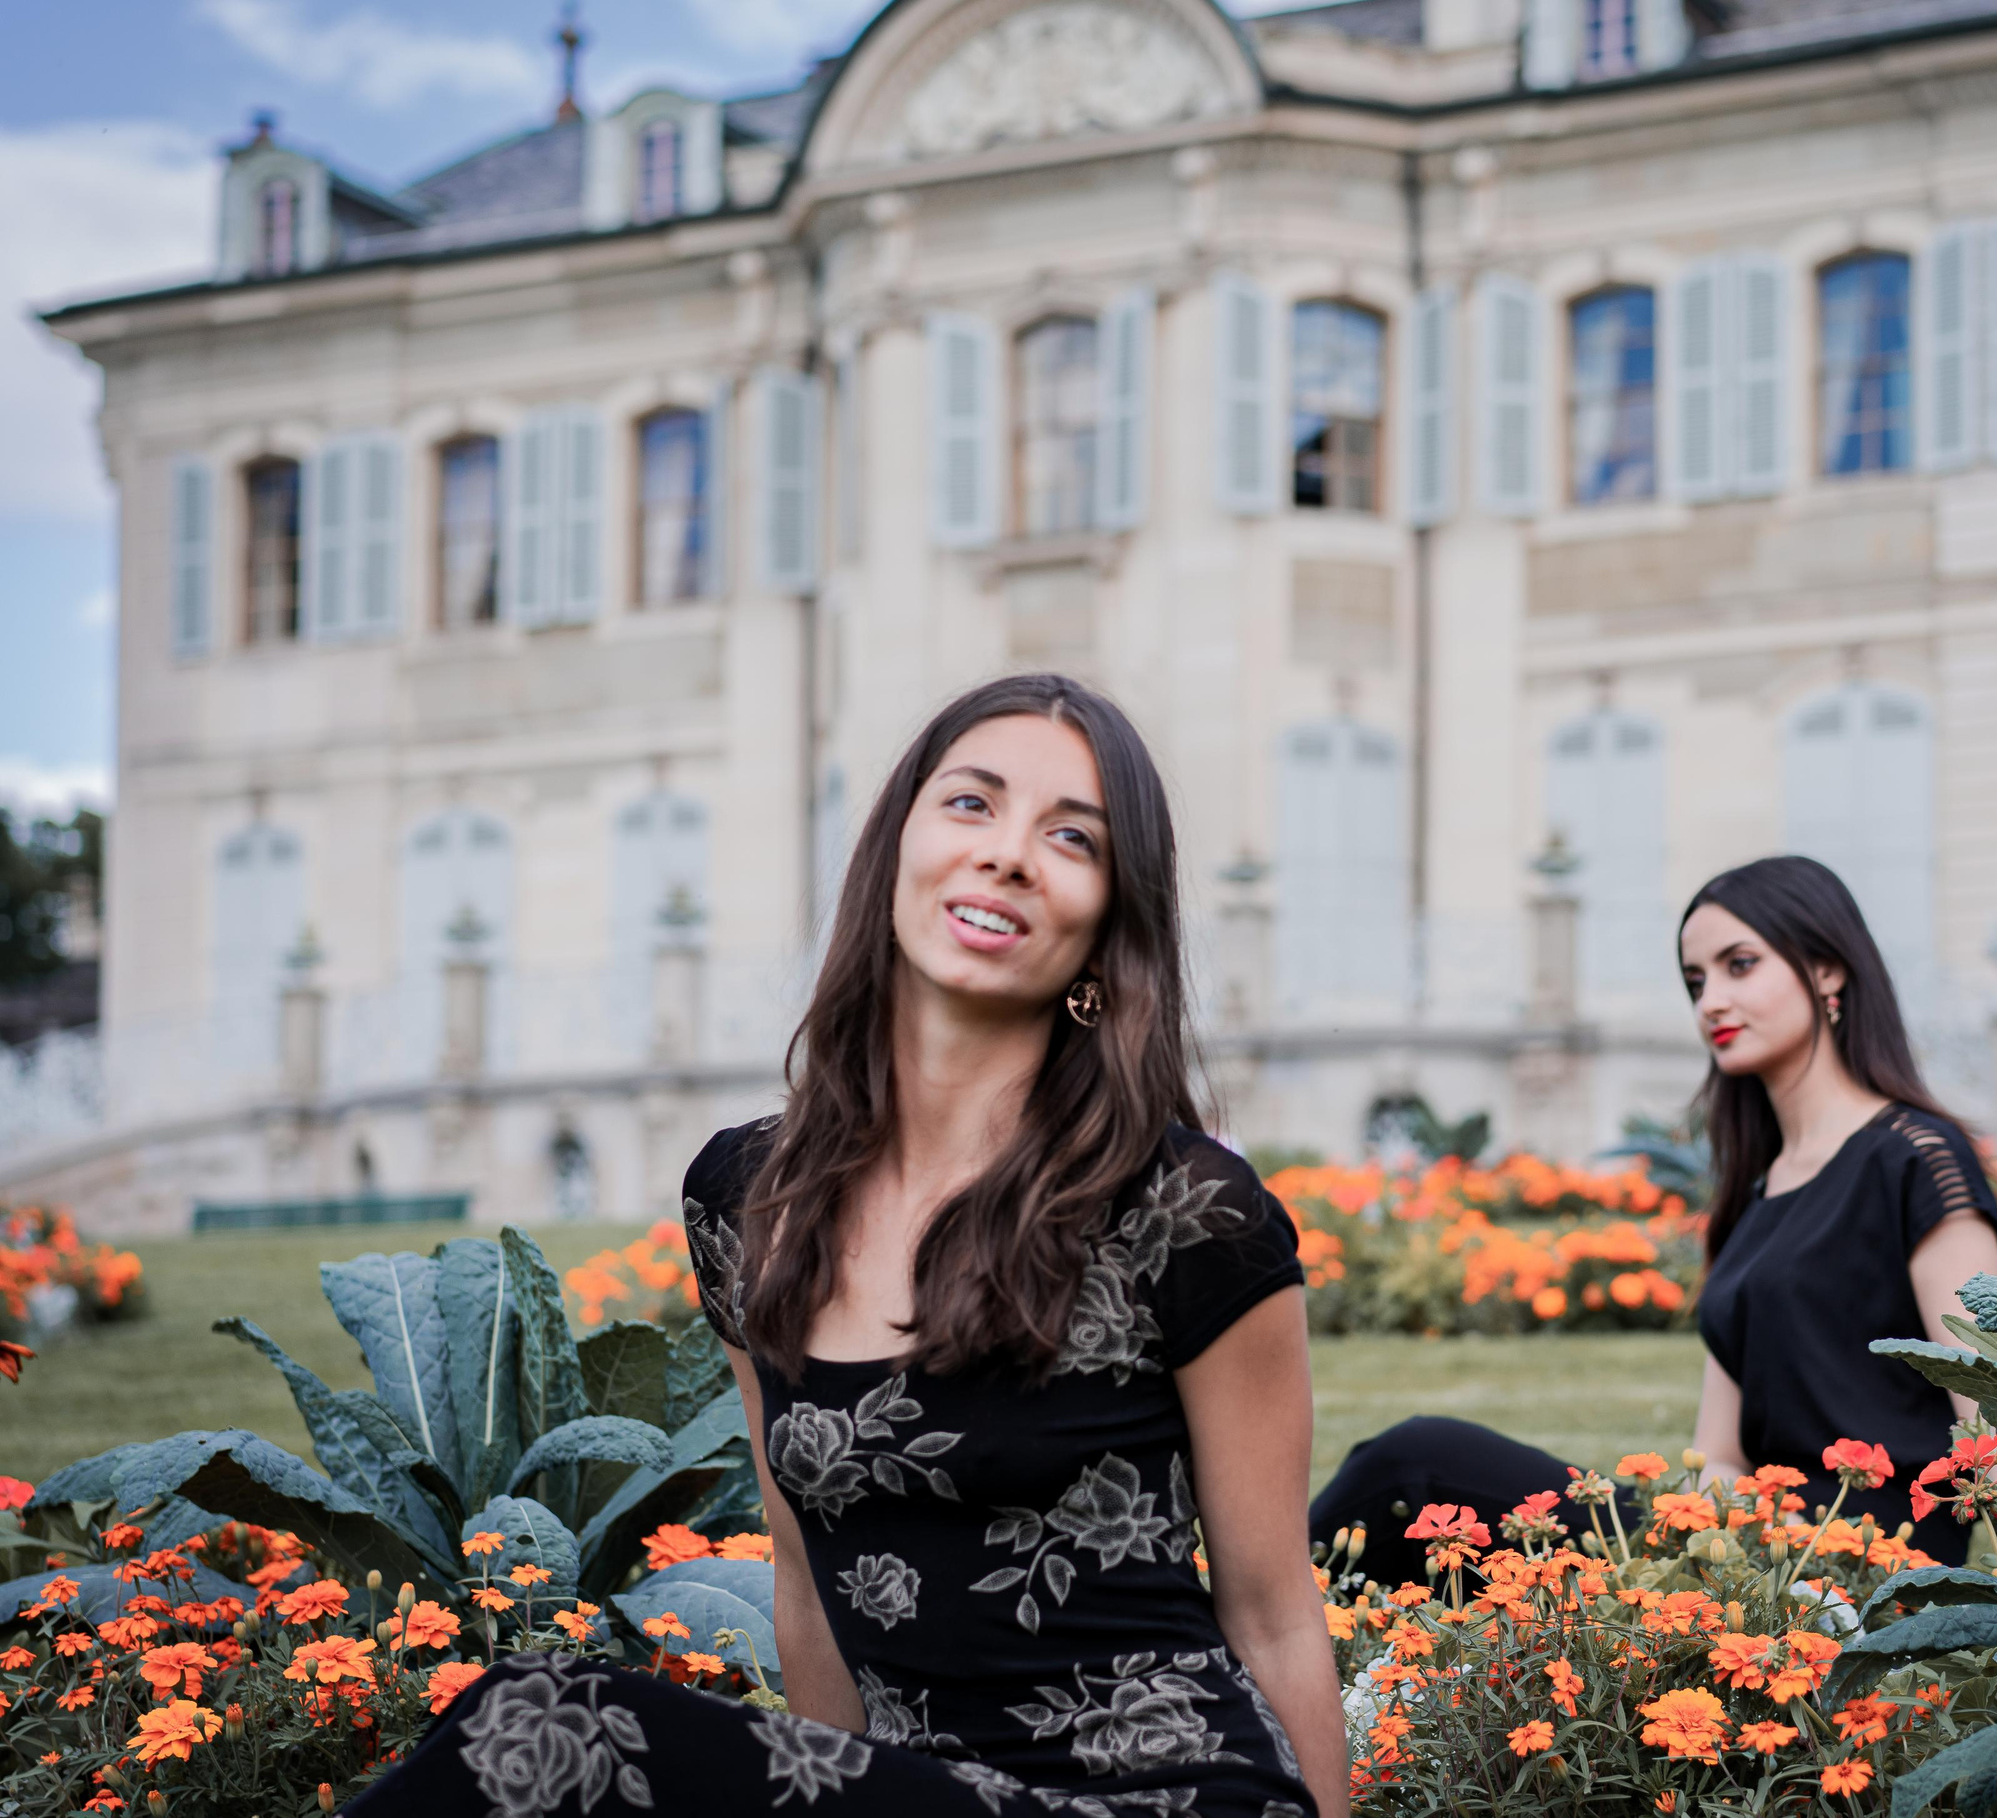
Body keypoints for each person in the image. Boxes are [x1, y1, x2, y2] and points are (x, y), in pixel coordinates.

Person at [356, 673, 1345, 1818]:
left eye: (1072, 837)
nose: (1009, 853)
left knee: (548, 1722)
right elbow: (807, 1588)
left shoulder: (1185, 1211)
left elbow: (1274, 1616)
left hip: (1173, 1797)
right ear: (894, 851)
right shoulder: (750, 1203)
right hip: (927, 1794)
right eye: (972, 803)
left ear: (1105, 931)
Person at [1311, 854, 1997, 1577]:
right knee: (1418, 1520)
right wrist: (1680, 1555)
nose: (1711, 1002)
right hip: (1747, 1556)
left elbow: (1991, 1420)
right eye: (1697, 981)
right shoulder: (1758, 1193)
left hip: (1865, 1562)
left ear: (1828, 970)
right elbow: (1721, 1456)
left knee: (1417, 1464)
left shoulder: (1918, 1157)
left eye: (1740, 965)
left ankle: (1250, 1622)